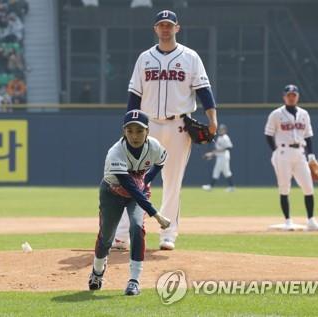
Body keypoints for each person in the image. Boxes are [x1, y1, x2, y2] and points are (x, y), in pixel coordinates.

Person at [112, 10, 218, 251]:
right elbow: (134, 96)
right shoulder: (144, 58)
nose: (166, 29)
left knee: (173, 181)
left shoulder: (190, 57)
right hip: (146, 127)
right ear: (155, 29)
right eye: (162, 25)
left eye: (170, 25)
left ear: (177, 28)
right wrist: (127, 126)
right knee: (134, 179)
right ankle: (122, 236)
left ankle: (168, 234)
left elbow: (204, 91)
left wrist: (212, 118)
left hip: (179, 125)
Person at [88, 110, 171, 296]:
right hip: (112, 193)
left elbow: (161, 161)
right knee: (107, 237)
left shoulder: (154, 147)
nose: (134, 135)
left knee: (136, 228)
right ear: (124, 131)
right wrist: (155, 214)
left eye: (139, 131)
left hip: (135, 195)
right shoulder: (116, 152)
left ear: (147, 131)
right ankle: (97, 271)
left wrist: (147, 180)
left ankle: (134, 280)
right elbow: (129, 186)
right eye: (130, 130)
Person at [264, 84, 318, 231]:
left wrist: (311, 155)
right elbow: (268, 134)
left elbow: (308, 136)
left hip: (300, 153)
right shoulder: (276, 114)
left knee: (308, 186)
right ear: (284, 97)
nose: (291, 98)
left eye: (294, 95)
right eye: (289, 95)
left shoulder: (304, 114)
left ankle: (311, 221)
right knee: (284, 187)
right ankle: (288, 221)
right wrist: (276, 151)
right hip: (283, 152)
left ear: (297, 97)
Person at [202, 124, 234, 192]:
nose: (220, 130)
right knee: (226, 172)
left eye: (222, 129)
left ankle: (211, 186)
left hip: (224, 157)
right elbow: (218, 150)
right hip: (220, 156)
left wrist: (213, 153)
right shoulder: (220, 137)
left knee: (217, 171)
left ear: (225, 130)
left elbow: (229, 147)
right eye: (220, 129)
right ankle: (231, 187)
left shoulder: (225, 137)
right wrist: (212, 155)